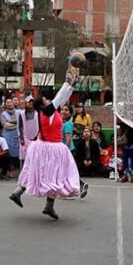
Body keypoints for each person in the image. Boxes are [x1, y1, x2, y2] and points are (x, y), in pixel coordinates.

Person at [9, 79, 86, 219]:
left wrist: (71, 87)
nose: (49, 100)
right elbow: (58, 98)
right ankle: (48, 206)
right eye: (45, 100)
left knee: (38, 173)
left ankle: (18, 193)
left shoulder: (51, 111)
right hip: (50, 148)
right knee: (53, 177)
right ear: (43, 105)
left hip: (43, 147)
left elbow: (61, 99)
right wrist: (67, 83)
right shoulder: (47, 112)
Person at [0, 99, 21, 178]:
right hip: (7, 136)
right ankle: (9, 170)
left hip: (17, 135)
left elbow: (21, 123)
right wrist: (16, 123)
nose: (9, 104)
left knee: (18, 153)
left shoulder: (19, 112)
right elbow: (5, 125)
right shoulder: (3, 114)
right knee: (8, 154)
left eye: (10, 102)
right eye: (7, 102)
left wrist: (11, 122)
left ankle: (21, 171)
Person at [18, 97, 39, 167]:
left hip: (36, 138)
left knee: (35, 157)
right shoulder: (21, 113)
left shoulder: (37, 113)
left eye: (32, 102)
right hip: (25, 138)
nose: (31, 103)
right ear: (26, 103)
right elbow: (20, 126)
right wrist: (21, 138)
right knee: (25, 158)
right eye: (29, 102)